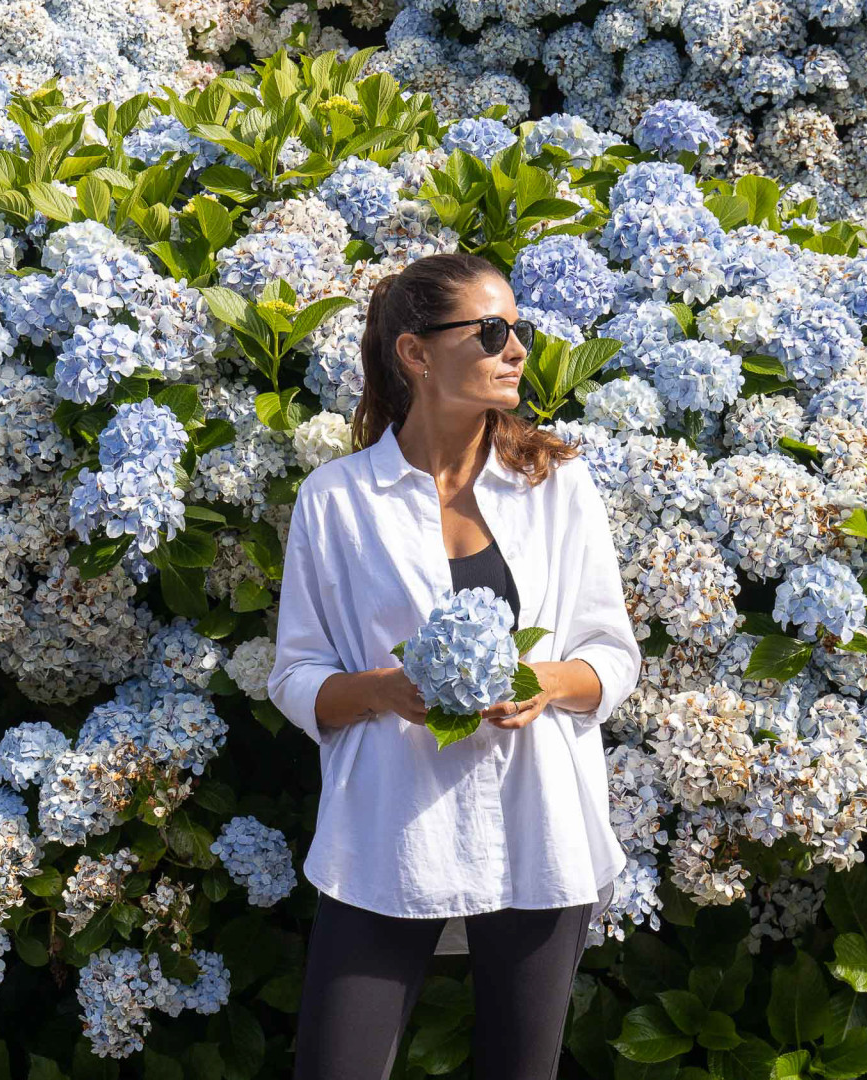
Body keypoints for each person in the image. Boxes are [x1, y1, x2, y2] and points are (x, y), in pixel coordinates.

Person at [266, 251, 644, 1080]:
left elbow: (612, 655)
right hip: (388, 834)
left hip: (541, 825)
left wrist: (545, 684)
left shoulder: (556, 483)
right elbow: (295, 676)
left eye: (522, 332)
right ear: (416, 352)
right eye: (494, 331)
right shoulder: (335, 499)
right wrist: (382, 691)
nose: (517, 350)